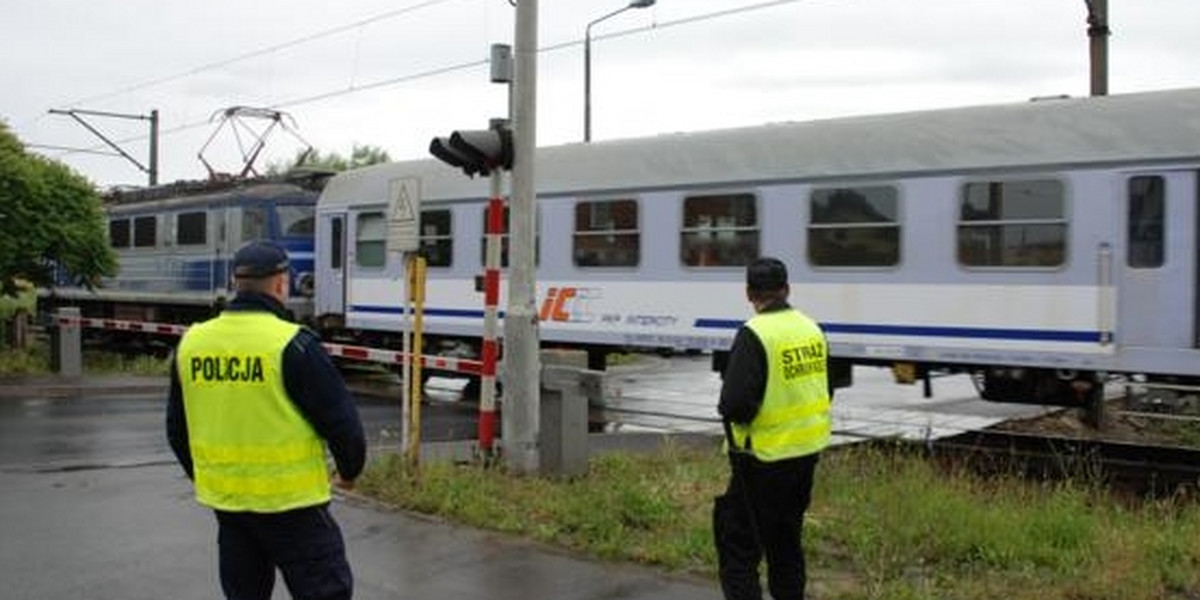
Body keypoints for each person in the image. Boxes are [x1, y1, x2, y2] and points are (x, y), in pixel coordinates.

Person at [166, 240, 367, 600]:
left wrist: (211, 478)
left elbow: (177, 431)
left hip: (229, 506)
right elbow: (341, 421)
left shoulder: (192, 343)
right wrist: (349, 471)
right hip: (293, 506)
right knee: (326, 592)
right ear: (280, 284)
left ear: (234, 283)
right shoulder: (293, 344)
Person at [714, 257, 832, 600]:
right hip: (806, 456)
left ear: (749, 294)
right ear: (787, 289)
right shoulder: (812, 328)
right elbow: (826, 387)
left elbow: (736, 405)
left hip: (760, 459)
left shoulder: (755, 334)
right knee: (786, 543)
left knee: (738, 547)